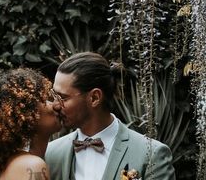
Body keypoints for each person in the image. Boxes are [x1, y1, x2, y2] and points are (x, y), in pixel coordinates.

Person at [45, 52, 176, 180]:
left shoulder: (151, 155)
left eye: (62, 97)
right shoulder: (51, 154)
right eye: (54, 95)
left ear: (94, 98)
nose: (55, 105)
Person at [0, 68, 61, 180]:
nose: (55, 105)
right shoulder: (31, 166)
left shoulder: (15, 164)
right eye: (44, 100)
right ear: (25, 115)